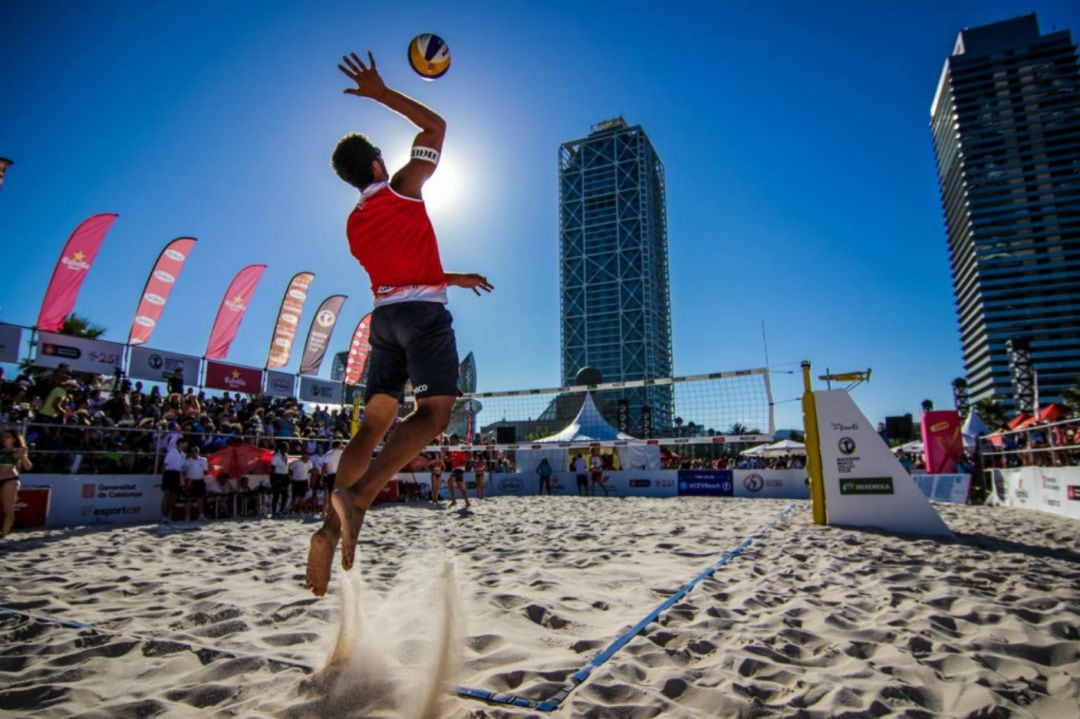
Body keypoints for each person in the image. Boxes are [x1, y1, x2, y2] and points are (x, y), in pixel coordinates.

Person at [306, 51, 492, 596]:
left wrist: (451, 277)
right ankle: (359, 498)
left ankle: (328, 524)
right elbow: (436, 126)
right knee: (435, 415)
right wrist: (381, 92)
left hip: (384, 317)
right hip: (420, 317)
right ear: (376, 167)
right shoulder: (400, 191)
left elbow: (404, 271)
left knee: (371, 425)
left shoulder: (354, 223)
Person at [0, 430, 32, 539]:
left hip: (9, 480)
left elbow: (28, 467)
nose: (5, 439)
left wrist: (23, 456)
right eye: (4, 437)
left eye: (8, 437)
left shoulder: (16, 451)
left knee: (8, 510)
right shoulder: (2, 450)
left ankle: (3, 535)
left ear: (14, 439)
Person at [160, 437, 187, 523]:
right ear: (179, 444)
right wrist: (164, 477)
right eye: (183, 443)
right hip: (169, 473)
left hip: (177, 475)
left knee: (173, 497)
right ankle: (163, 516)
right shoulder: (171, 452)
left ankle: (169, 516)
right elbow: (165, 464)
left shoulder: (184, 454)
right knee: (166, 496)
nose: (185, 445)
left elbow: (182, 468)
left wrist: (181, 478)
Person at [180, 444, 209, 522]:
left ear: (198, 452)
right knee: (188, 499)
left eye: (195, 452)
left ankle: (201, 515)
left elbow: (206, 471)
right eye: (192, 452)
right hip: (190, 481)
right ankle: (187, 516)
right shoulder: (187, 461)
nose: (194, 453)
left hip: (200, 480)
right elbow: (182, 471)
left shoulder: (203, 460)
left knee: (200, 498)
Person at [447, 436, 471, 509]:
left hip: (459, 468)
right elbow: (453, 458)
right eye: (451, 440)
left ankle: (454, 500)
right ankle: (467, 502)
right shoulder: (452, 449)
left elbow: (469, 453)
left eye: (454, 440)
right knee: (461, 486)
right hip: (455, 468)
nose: (452, 441)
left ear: (457, 440)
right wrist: (449, 459)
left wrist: (465, 462)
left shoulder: (461, 446)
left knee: (449, 481)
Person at [321, 439, 344, 517]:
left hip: (330, 475)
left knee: (328, 495)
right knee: (337, 495)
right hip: (339, 475)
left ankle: (325, 512)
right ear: (338, 445)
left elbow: (324, 467)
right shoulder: (342, 453)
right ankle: (333, 512)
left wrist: (321, 477)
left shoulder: (328, 454)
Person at [289, 450, 315, 515]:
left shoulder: (310, 463)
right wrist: (292, 477)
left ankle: (299, 510)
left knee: (302, 496)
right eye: (305, 455)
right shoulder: (296, 462)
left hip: (304, 481)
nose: (306, 456)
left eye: (307, 455)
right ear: (302, 455)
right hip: (296, 481)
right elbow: (290, 469)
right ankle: (292, 509)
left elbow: (310, 470)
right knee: (294, 496)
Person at [270, 443, 290, 516]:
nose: (287, 448)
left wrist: (288, 475)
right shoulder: (276, 457)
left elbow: (286, 466)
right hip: (277, 476)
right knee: (276, 495)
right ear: (281, 448)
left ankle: (282, 510)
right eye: (286, 447)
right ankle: (274, 511)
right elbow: (272, 469)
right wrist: (272, 480)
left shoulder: (286, 455)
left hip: (285, 476)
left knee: (285, 494)